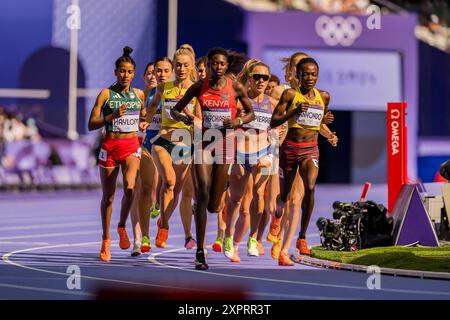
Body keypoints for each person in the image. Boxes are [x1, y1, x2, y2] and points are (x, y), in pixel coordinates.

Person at [171, 47, 255, 270]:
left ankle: (221, 186)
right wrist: (187, 120)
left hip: (225, 145)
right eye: (213, 64)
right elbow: (175, 111)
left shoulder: (234, 87)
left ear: (226, 66)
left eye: (221, 64)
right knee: (202, 194)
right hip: (204, 144)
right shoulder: (200, 86)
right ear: (208, 65)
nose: (217, 68)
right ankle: (200, 252)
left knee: (214, 207)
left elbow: (251, 113)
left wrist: (237, 122)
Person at [271, 57, 334, 265]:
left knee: (310, 188)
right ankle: (278, 214)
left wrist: (326, 123)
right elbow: (274, 121)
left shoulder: (323, 97)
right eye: (305, 74)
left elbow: (318, 120)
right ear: (297, 76)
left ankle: (302, 237)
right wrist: (294, 111)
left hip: (310, 149)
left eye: (313, 74)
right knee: (286, 196)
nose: (310, 78)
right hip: (290, 148)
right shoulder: (290, 94)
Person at [88, 46, 145, 262]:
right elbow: (91, 124)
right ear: (115, 72)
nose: (125, 75)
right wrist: (110, 117)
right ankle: (106, 239)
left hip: (131, 146)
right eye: (122, 71)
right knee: (108, 197)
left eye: (129, 72)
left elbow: (143, 118)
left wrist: (145, 121)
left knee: (130, 189)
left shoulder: (138, 94)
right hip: (110, 147)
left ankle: (122, 226)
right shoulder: (106, 94)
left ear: (134, 73)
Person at [142, 44, 199, 250]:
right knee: (169, 181)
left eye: (185, 65)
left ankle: (163, 223)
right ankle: (164, 226)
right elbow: (153, 104)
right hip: (163, 141)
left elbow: (201, 120)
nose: (181, 69)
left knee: (175, 192)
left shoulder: (197, 90)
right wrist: (146, 121)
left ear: (192, 67)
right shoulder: (164, 87)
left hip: (185, 145)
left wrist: (192, 119)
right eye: (178, 65)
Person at [224, 59, 278, 262]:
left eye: (265, 77)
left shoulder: (272, 104)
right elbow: (228, 125)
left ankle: (254, 238)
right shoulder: (239, 100)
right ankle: (228, 236)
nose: (262, 81)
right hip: (240, 154)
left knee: (259, 196)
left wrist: (281, 132)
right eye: (257, 77)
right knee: (236, 200)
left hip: (263, 152)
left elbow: (280, 124)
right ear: (249, 78)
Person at [130, 58, 173, 256]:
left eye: (155, 72)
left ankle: (157, 208)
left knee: (156, 185)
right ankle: (138, 240)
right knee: (137, 190)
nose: (152, 76)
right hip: (138, 144)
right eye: (149, 73)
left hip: (160, 143)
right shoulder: (137, 95)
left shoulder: (166, 94)